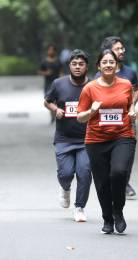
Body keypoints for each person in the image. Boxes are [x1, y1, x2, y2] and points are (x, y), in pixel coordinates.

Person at [77, 49, 136, 234]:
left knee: (118, 173)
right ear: (98, 66)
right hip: (96, 140)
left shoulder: (126, 84)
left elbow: (130, 103)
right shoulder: (90, 88)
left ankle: (118, 211)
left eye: (112, 62)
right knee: (102, 182)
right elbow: (80, 117)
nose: (108, 65)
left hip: (122, 136)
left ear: (117, 65)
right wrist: (92, 112)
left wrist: (132, 111)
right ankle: (107, 219)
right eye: (105, 62)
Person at [44, 49, 92, 222]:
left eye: (81, 64)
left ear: (86, 66)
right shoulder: (59, 84)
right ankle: (65, 188)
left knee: (84, 172)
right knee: (66, 173)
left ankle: (80, 207)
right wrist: (56, 109)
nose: (77, 67)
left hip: (87, 139)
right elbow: (47, 101)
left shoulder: (93, 85)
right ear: (69, 66)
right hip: (64, 139)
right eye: (74, 64)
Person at [95, 36, 138, 198]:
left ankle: (124, 182)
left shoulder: (130, 73)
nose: (122, 51)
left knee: (127, 154)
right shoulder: (97, 77)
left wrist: (130, 105)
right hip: (104, 123)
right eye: (117, 49)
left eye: (122, 48)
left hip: (127, 121)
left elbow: (137, 91)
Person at [39, 44, 63, 123]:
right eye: (49, 50)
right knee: (48, 99)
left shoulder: (58, 61)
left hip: (57, 83)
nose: (51, 51)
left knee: (56, 100)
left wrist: (62, 79)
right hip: (48, 84)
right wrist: (46, 73)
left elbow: (61, 72)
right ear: (47, 51)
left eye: (53, 50)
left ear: (55, 51)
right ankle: (52, 115)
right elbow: (39, 71)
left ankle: (55, 114)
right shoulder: (44, 61)